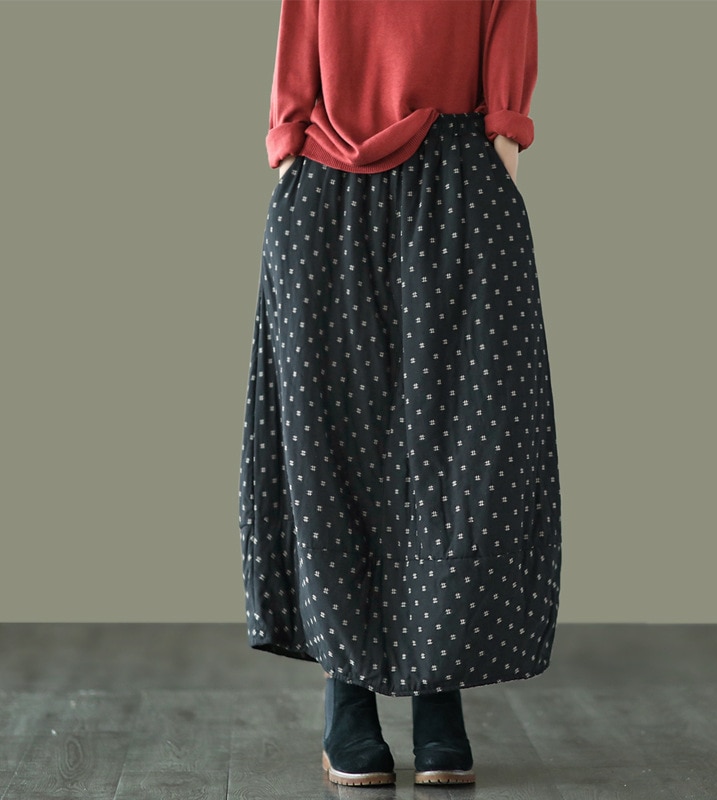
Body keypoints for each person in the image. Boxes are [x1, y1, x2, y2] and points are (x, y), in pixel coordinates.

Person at [238, 0, 562, 787]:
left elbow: (508, 25)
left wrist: (501, 138)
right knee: (329, 449)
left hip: (456, 171)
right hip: (326, 179)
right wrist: (290, 144)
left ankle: (437, 691)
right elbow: (299, 32)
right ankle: (347, 694)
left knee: (465, 450)